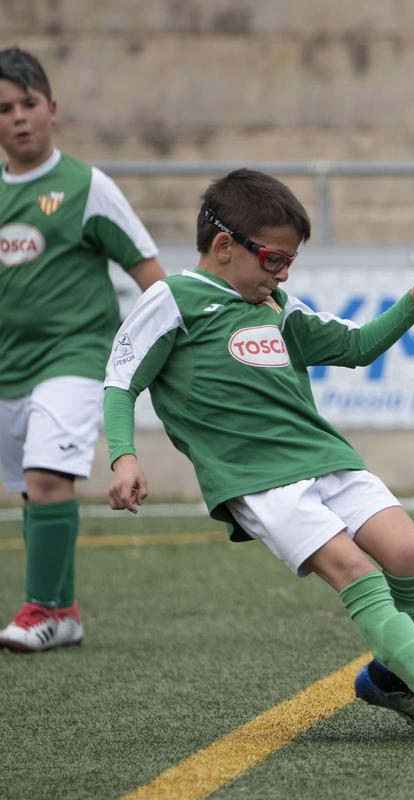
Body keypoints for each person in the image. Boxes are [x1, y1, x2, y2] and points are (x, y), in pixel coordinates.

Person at [104, 169, 414, 743]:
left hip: (324, 456)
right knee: (355, 572)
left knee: (411, 553)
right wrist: (123, 457)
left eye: (289, 262)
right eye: (275, 259)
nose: (282, 272)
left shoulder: (279, 305)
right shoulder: (173, 299)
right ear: (225, 246)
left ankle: (390, 678)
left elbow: (357, 347)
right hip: (256, 480)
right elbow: (120, 379)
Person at [0, 47, 166, 652]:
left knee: (47, 477)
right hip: (8, 368)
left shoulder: (87, 186)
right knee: (32, 489)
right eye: (3, 108)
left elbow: (150, 272)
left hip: (74, 355)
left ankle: (41, 608)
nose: (17, 117)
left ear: (52, 110)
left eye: (28, 104)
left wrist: (178, 340)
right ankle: (63, 612)